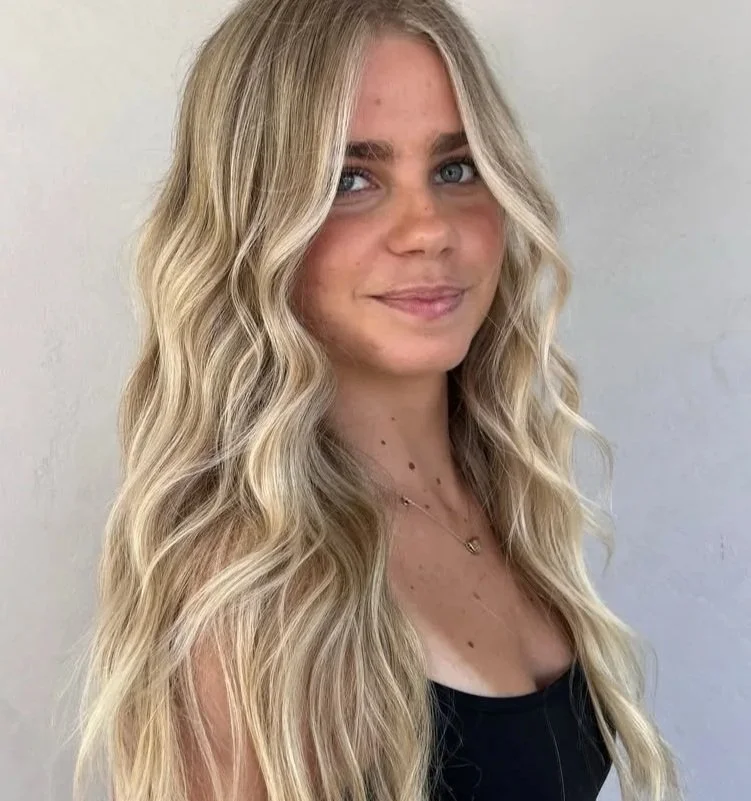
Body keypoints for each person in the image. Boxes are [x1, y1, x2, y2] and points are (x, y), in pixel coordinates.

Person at [73, 1, 683, 800]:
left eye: (454, 168)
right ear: (255, 223)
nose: (427, 228)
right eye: (351, 180)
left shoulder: (501, 495)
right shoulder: (259, 586)